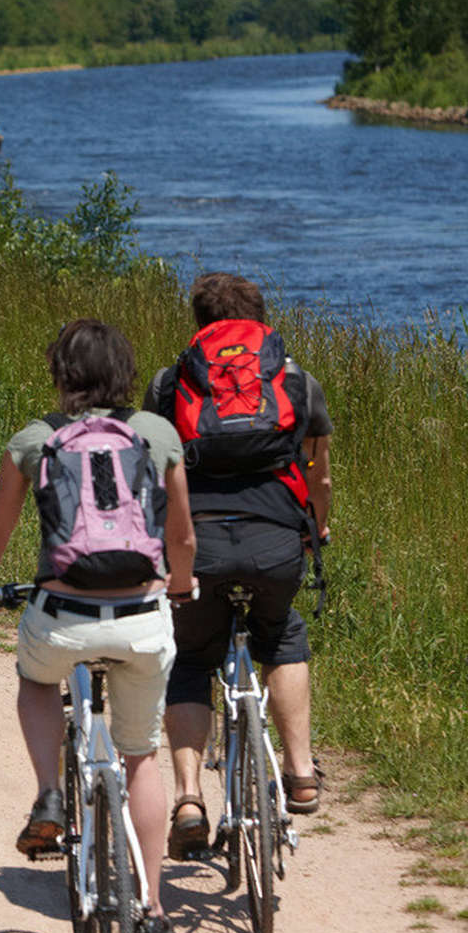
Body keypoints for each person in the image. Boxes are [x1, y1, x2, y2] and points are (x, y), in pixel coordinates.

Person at [0, 318, 197, 933]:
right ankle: (151, 906)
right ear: (125, 374)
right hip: (143, 619)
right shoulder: (157, 433)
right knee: (141, 754)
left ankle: (49, 795)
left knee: (35, 680)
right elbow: (182, 538)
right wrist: (180, 585)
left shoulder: (36, 440)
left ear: (60, 377)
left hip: (61, 615)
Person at [142, 272, 333, 860]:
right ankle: (300, 772)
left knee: (192, 657)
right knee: (282, 634)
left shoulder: (171, 383)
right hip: (275, 537)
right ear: (261, 318)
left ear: (200, 323)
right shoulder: (297, 380)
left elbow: (151, 476)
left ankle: (190, 800)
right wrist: (316, 530)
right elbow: (319, 477)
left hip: (196, 544)